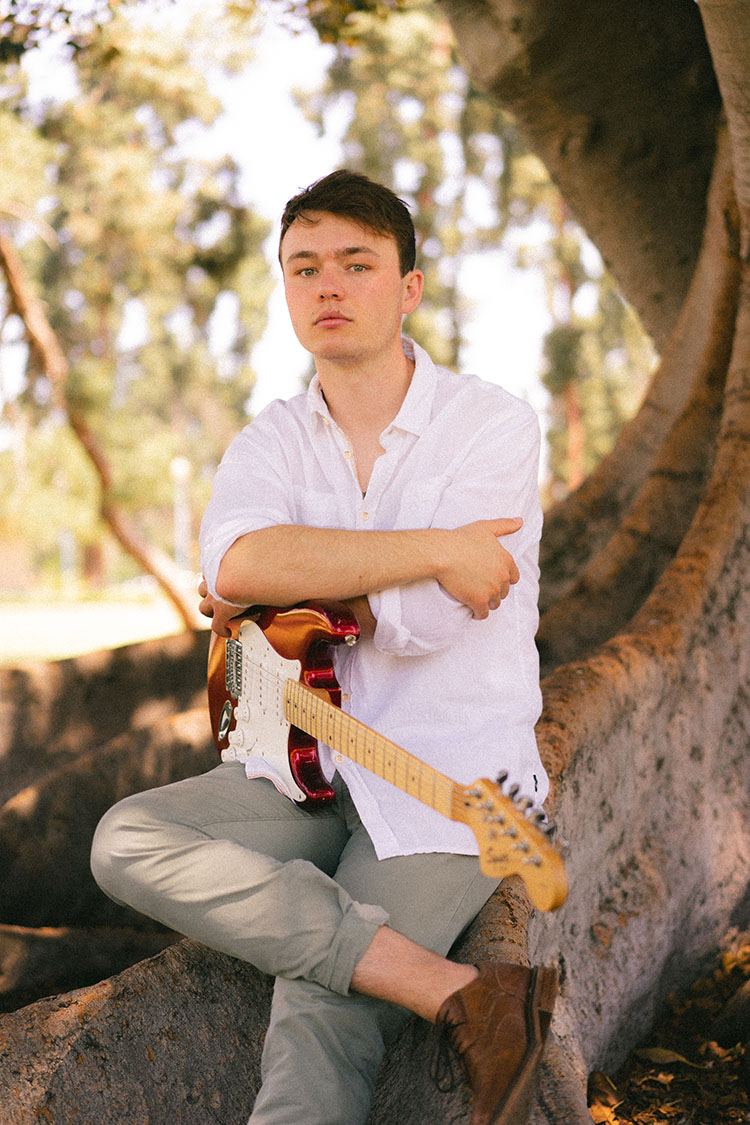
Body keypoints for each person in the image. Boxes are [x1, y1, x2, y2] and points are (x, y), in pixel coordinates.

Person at [90, 170, 557, 1125]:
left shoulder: (492, 425)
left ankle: (400, 976)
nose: (328, 287)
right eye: (304, 269)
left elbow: (428, 621)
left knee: (317, 1004)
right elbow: (235, 561)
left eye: (356, 263)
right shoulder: (271, 440)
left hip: (446, 779)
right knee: (125, 837)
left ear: (409, 287)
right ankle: (453, 989)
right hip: (299, 766)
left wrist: (288, 578)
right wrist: (431, 548)